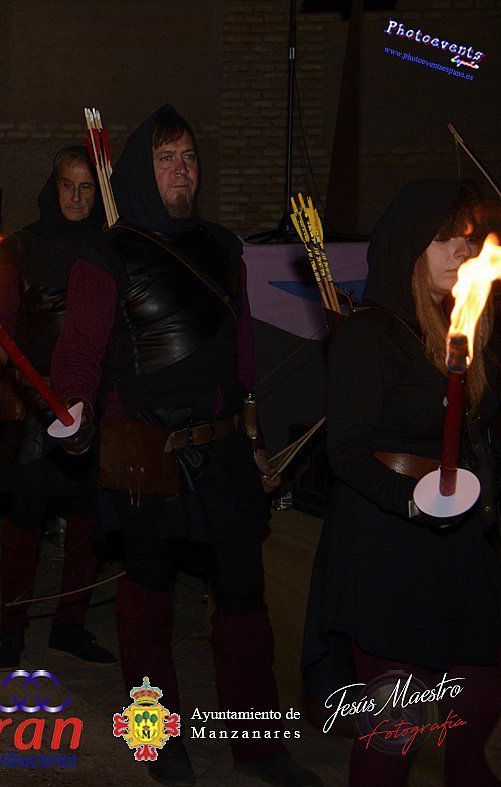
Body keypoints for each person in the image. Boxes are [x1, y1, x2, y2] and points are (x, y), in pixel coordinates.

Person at [51, 105, 318, 786]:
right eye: (167, 158)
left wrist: (253, 438)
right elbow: (78, 352)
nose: (183, 171)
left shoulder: (223, 247)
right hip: (146, 451)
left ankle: (257, 743)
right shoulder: (105, 255)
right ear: (143, 171)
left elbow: (242, 354)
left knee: (243, 595)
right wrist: (73, 410)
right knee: (147, 594)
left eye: (190, 157)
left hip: (222, 447)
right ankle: (152, 734)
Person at [302, 179, 501, 786]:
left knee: (474, 723)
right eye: (444, 240)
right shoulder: (370, 334)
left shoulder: (465, 328)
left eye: (467, 240)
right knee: (395, 733)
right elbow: (346, 452)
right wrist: (411, 503)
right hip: (390, 554)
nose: (461, 253)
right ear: (409, 247)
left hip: (465, 553)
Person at [0, 146, 115, 671]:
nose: (77, 197)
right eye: (67, 185)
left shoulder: (112, 247)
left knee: (87, 517)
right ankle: (12, 627)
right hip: (37, 404)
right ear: (52, 186)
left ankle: (70, 624)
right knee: (25, 517)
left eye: (87, 187)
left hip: (92, 401)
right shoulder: (21, 247)